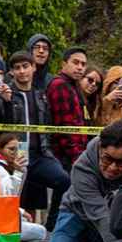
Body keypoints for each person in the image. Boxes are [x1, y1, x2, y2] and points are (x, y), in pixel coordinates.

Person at [4, 51, 71, 229]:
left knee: (64, 180)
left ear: (33, 67)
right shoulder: (6, 94)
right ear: (11, 72)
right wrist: (5, 101)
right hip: (15, 153)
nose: (22, 71)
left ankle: (52, 227)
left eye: (25, 66)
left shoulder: (41, 95)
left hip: (40, 153)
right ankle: (12, 230)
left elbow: (48, 124)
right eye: (17, 68)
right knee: (16, 198)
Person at [45, 47, 90, 231]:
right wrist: (77, 156)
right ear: (64, 64)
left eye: (83, 64)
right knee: (63, 198)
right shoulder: (60, 85)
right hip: (65, 153)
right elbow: (64, 126)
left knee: (65, 197)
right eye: (75, 62)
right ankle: (53, 231)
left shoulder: (73, 85)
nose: (80, 67)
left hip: (73, 152)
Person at [0, 133, 46, 242]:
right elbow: (8, 199)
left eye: (18, 150)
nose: (15, 153)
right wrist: (18, 173)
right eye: (11, 149)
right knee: (41, 231)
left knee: (24, 220)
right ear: (0, 149)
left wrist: (21, 211)